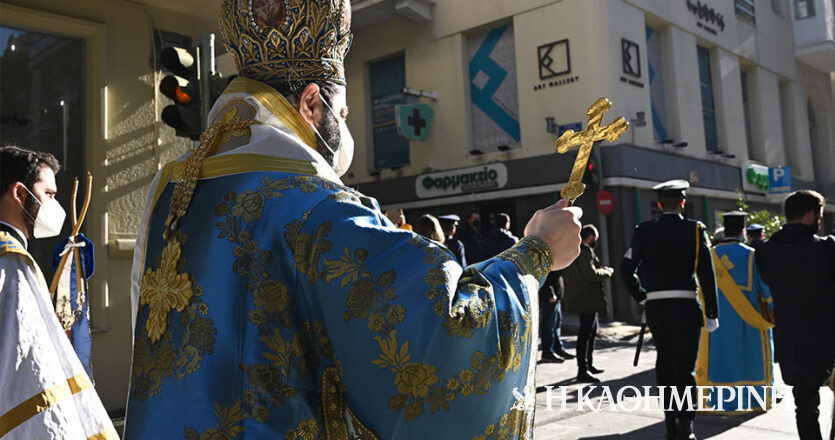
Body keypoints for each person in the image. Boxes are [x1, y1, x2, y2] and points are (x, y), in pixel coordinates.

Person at [123, 1, 584, 438]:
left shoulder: (170, 194)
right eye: (342, 113)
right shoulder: (318, 208)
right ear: (310, 104)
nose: (346, 127)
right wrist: (537, 252)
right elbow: (447, 331)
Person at [0, 145, 117, 440]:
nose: (55, 204)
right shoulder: (11, 261)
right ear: (20, 194)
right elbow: (27, 365)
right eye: (49, 194)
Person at [620, 180, 719, 440]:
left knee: (665, 365)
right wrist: (712, 312)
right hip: (686, 306)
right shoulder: (695, 229)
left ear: (659, 205)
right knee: (685, 369)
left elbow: (625, 268)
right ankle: (686, 427)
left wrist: (641, 296)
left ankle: (669, 424)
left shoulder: (644, 231)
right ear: (683, 203)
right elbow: (706, 273)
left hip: (657, 308)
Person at [756, 190, 835, 440]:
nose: (820, 222)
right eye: (819, 216)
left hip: (791, 342)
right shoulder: (825, 248)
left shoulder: (766, 251)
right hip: (828, 339)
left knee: (805, 406)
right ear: (811, 215)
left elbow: (768, 280)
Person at [696, 211, 774, 412]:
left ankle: (719, 401)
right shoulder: (752, 256)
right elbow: (766, 292)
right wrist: (773, 309)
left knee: (720, 362)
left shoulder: (708, 256)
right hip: (748, 321)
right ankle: (752, 401)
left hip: (716, 322)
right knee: (750, 360)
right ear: (743, 232)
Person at [563, 224, 613, 383]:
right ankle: (582, 369)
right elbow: (590, 274)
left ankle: (588, 364)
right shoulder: (584, 253)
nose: (596, 241)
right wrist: (607, 272)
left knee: (591, 332)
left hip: (586, 299)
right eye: (595, 238)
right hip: (586, 299)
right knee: (585, 334)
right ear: (590, 237)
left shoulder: (577, 251)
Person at [538, 269, 574, 363]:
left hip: (556, 295)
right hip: (549, 296)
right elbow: (544, 276)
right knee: (549, 325)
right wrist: (550, 293)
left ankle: (557, 348)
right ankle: (547, 352)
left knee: (556, 323)